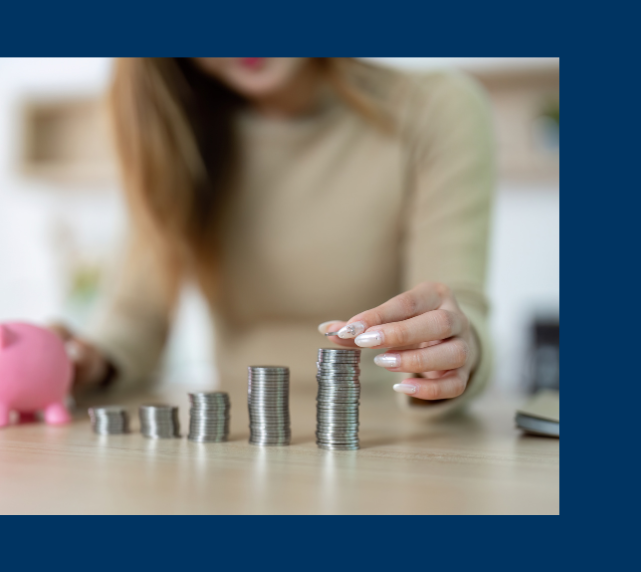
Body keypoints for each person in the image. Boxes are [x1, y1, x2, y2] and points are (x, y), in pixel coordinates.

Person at [55, 58, 493, 417]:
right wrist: (87, 361)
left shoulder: (437, 109)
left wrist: (456, 350)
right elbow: (137, 316)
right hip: (233, 434)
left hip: (390, 428)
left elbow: (457, 306)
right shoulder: (179, 131)